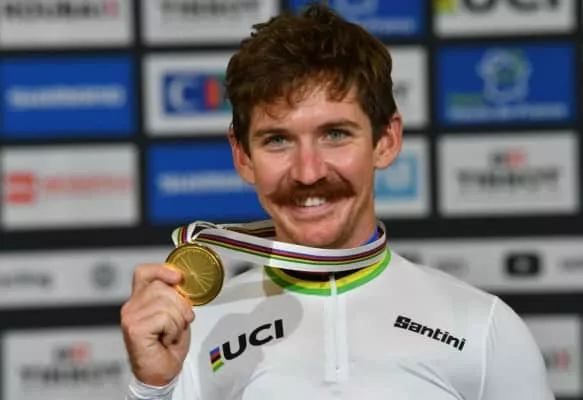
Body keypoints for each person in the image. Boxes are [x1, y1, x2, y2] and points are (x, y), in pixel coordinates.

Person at [121, 3, 554, 399]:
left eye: (335, 134)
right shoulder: (196, 332)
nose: (308, 172)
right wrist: (152, 389)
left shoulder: (483, 328)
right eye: (277, 140)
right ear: (243, 156)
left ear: (386, 140)